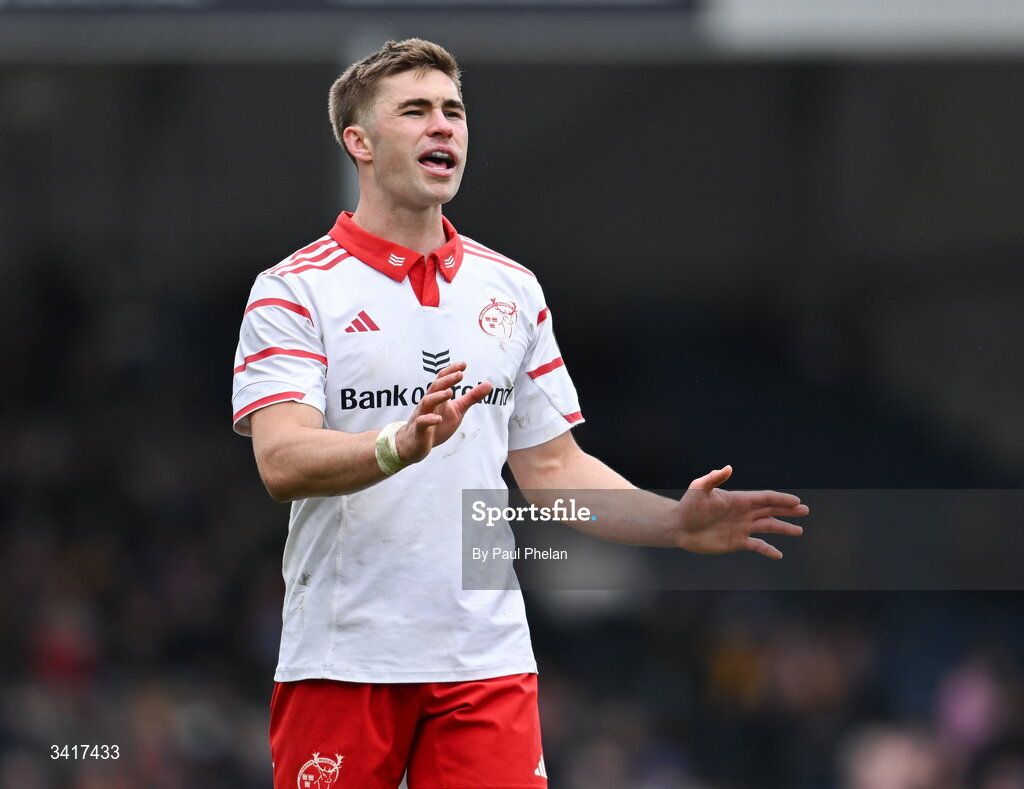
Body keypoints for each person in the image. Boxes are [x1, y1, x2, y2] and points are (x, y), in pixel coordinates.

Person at [231, 38, 809, 789]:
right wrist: (396, 446)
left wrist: (670, 520)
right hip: (345, 660)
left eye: (454, 110)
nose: (443, 126)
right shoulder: (293, 289)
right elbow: (281, 462)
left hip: (487, 661)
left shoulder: (512, 289)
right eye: (415, 110)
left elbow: (553, 468)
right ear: (360, 142)